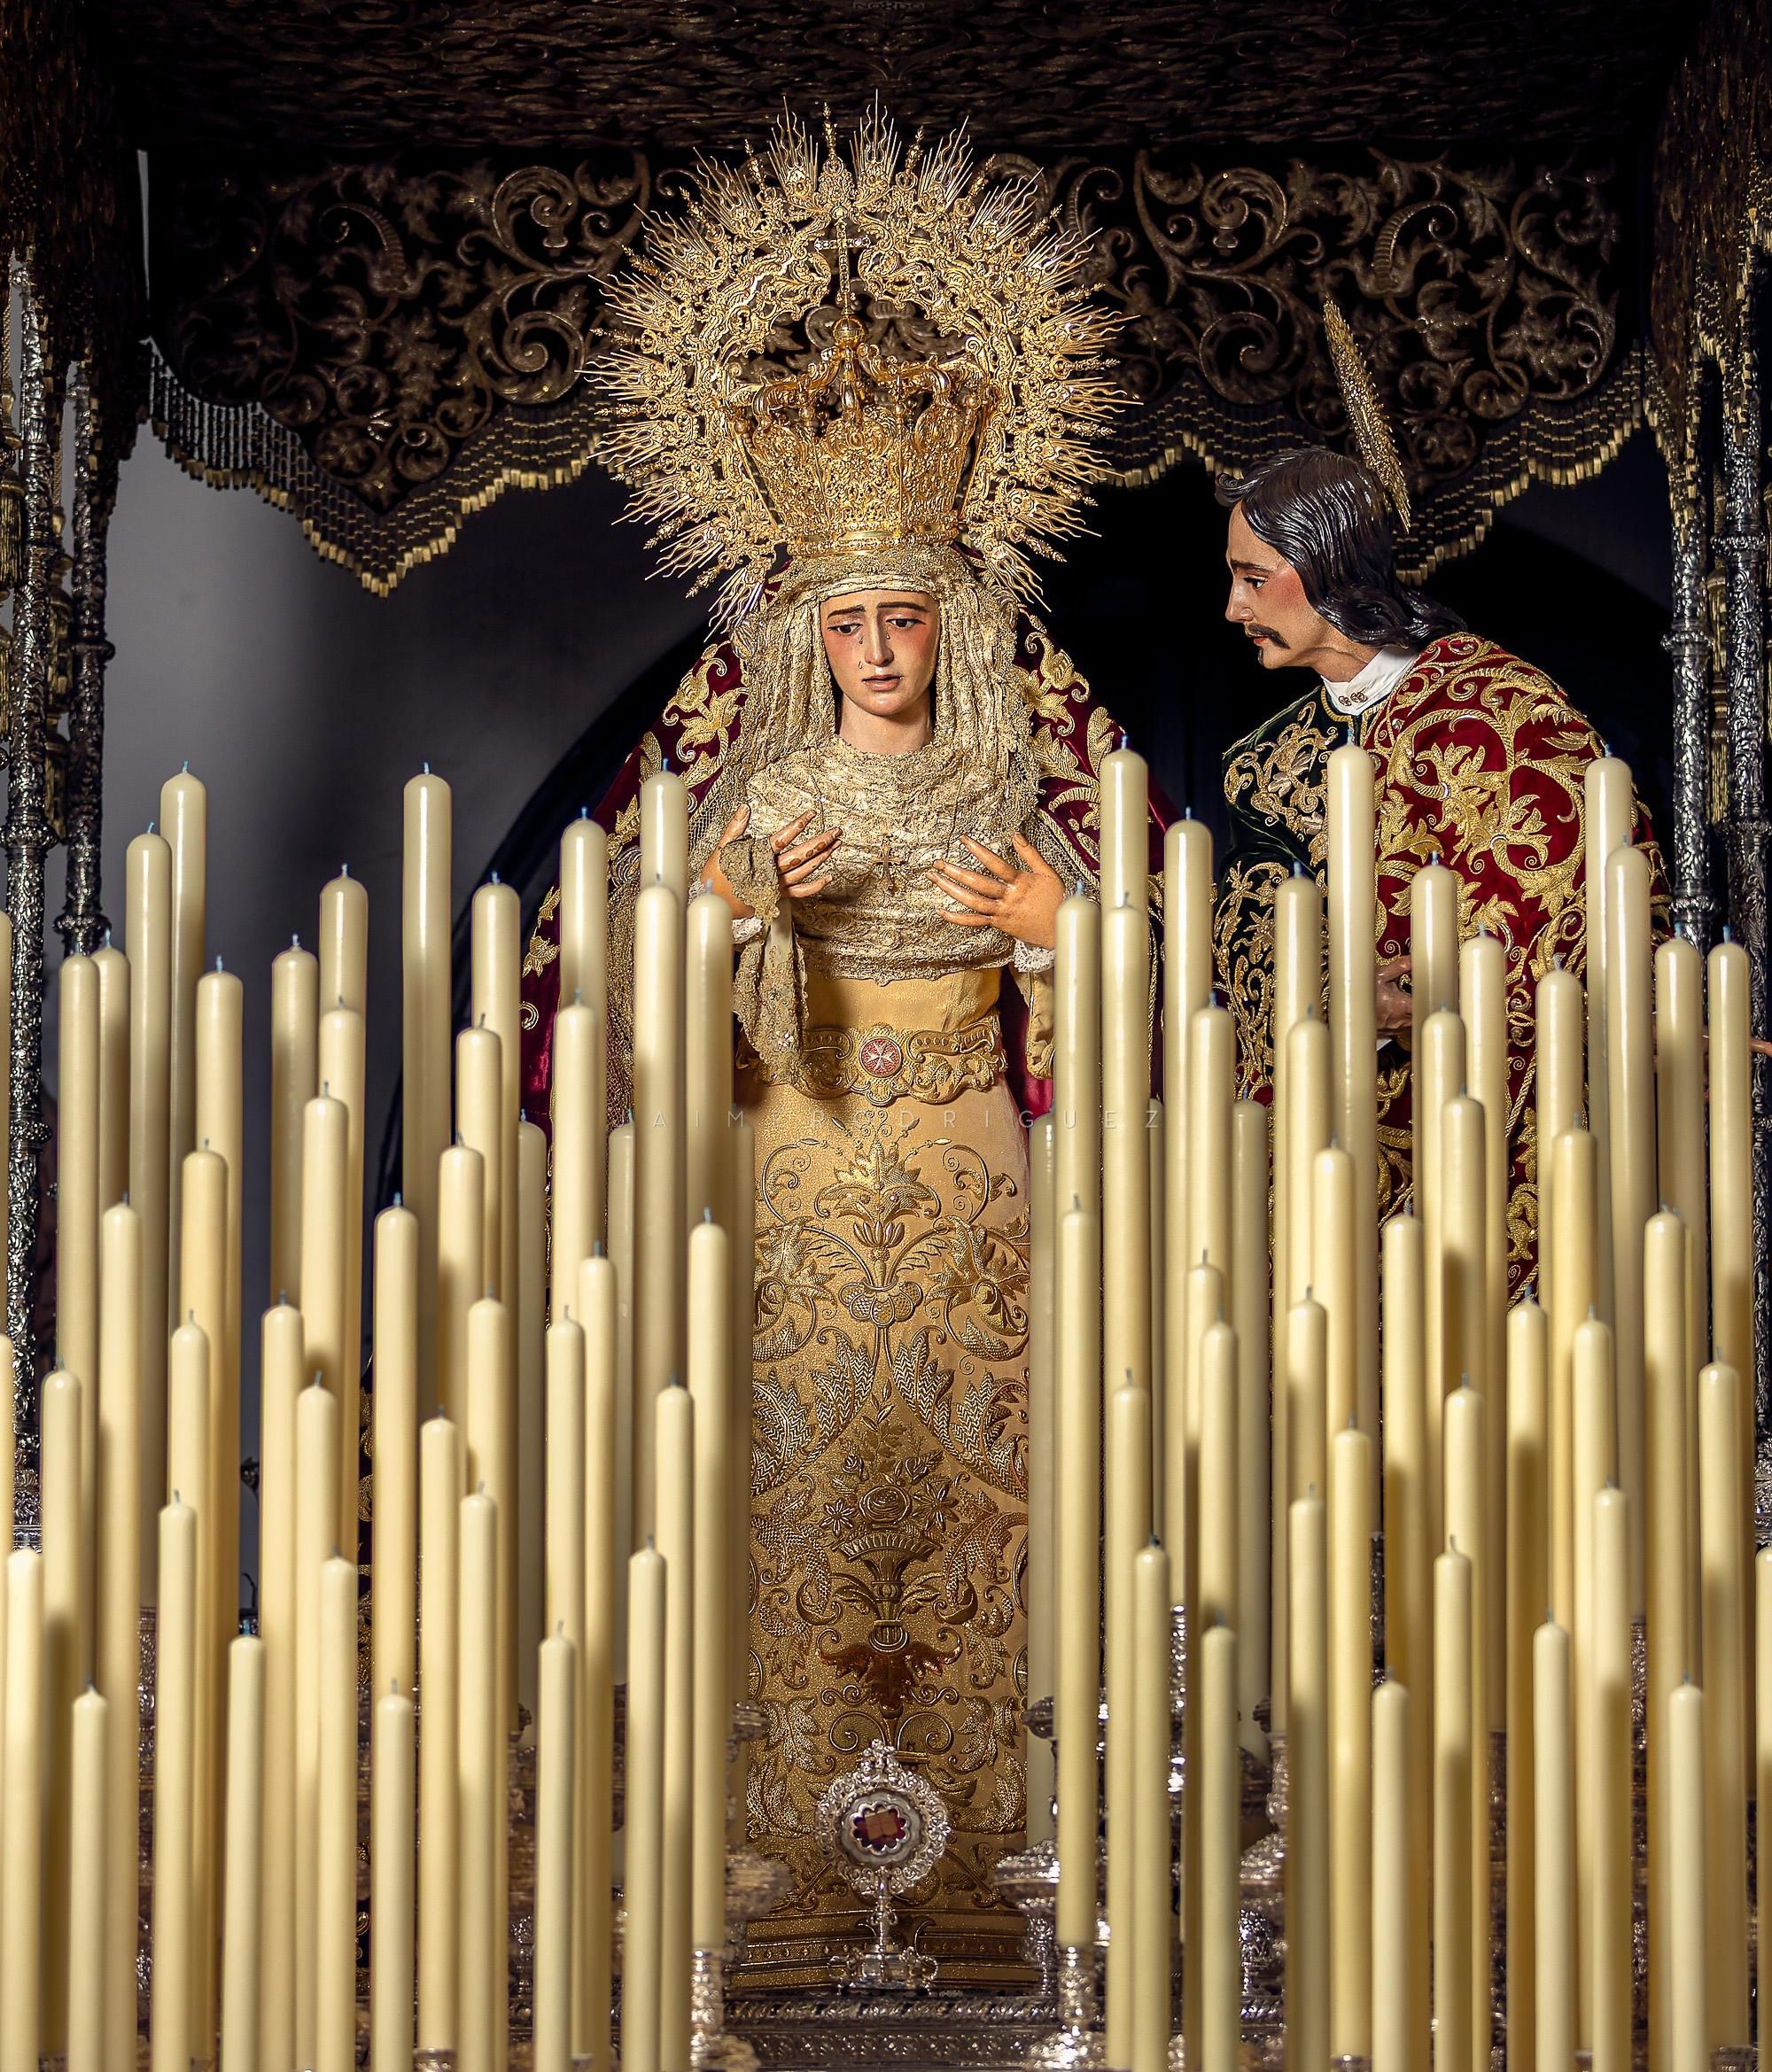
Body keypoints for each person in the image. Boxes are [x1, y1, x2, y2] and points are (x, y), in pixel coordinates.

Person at [518, 113, 1157, 1977]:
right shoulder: (751, 780)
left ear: (952, 627)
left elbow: (1128, 989)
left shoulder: (1016, 779)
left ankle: (998, 1873)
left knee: (993, 1488)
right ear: (807, 632)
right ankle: (788, 1867)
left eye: (905, 617)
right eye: (851, 620)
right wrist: (728, 919)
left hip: (971, 1176)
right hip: (791, 1166)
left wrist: (1069, 933)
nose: (880, 646)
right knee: (785, 1483)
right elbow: (624, 1000)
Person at [1211, 439, 1660, 1284]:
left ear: (1327, 563)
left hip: (1480, 1126)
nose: (1233, 607)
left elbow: (1586, 891)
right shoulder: (1265, 764)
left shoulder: (1499, 707)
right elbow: (1237, 923)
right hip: (1325, 1144)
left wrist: (1438, 994)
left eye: (1252, 576)